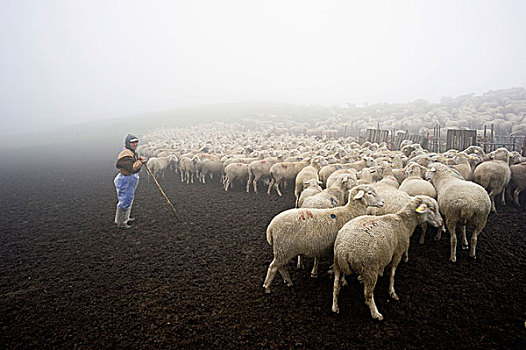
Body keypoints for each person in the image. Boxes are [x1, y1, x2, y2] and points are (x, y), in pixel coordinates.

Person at [114, 134, 147, 229]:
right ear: (128, 143)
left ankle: (125, 218)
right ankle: (121, 222)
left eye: (136, 142)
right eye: (132, 142)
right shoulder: (126, 154)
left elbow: (132, 162)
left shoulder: (131, 152)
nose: (135, 144)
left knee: (129, 198)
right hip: (126, 179)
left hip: (129, 179)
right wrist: (141, 162)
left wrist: (139, 159)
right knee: (125, 199)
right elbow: (130, 168)